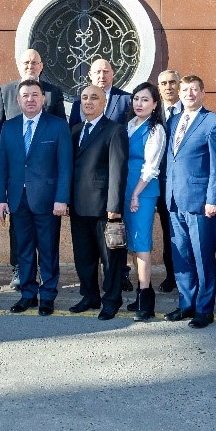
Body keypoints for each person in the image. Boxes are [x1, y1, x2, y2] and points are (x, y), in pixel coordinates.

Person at [0, 78, 73, 314]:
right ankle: (28, 294)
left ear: (43, 99)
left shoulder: (58, 126)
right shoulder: (9, 127)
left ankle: (47, 296)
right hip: (18, 199)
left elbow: (65, 166)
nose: (30, 99)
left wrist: (62, 198)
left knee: (48, 250)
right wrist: (0, 198)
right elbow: (1, 165)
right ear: (18, 100)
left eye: (35, 95)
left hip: (48, 201)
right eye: (25, 96)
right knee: (24, 250)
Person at [163, 74, 216, 328]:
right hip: (174, 199)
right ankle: (186, 303)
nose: (189, 94)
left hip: (201, 203)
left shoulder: (214, 122)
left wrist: (214, 200)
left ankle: (204, 309)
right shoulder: (173, 121)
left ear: (202, 93)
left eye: (194, 89)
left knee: (202, 257)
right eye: (185, 90)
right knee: (181, 255)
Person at [67, 85, 128, 318]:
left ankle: (111, 300)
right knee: (84, 257)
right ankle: (90, 295)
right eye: (84, 98)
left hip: (104, 208)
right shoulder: (75, 131)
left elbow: (118, 171)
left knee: (111, 258)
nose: (88, 102)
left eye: (94, 98)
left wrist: (114, 207)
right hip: (78, 206)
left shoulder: (115, 130)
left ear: (104, 103)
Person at [120, 81, 167, 321]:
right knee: (131, 243)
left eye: (145, 99)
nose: (139, 103)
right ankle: (140, 292)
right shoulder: (130, 125)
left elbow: (151, 168)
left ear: (155, 104)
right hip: (126, 189)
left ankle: (146, 300)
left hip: (142, 192)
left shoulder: (155, 129)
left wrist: (136, 193)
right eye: (136, 99)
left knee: (142, 243)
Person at [152, 69, 182, 297]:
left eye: (172, 82)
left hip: (182, 184)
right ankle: (171, 275)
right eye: (163, 83)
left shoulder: (190, 112)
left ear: (179, 85)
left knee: (181, 233)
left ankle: (184, 276)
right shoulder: (152, 112)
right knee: (167, 232)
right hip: (155, 184)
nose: (168, 87)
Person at [0, 47, 66, 121]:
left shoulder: (54, 93)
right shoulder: (5, 92)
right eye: (26, 63)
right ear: (19, 66)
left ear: (41, 66)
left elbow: (61, 124)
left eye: (34, 63)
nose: (30, 66)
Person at [69, 57, 132, 126]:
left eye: (106, 72)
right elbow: (73, 129)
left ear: (112, 73)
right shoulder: (79, 102)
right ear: (90, 75)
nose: (102, 76)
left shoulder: (127, 99)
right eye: (98, 72)